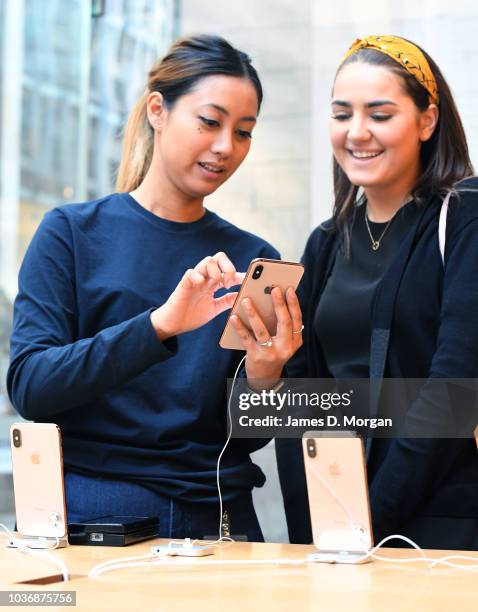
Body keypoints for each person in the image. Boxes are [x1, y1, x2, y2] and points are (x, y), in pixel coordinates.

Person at [7, 34, 302, 541]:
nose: (224, 147)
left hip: (220, 518)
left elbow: (249, 438)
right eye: (210, 122)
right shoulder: (71, 234)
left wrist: (265, 377)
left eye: (244, 132)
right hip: (95, 516)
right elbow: (32, 387)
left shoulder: (256, 258)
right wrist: (159, 326)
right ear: (158, 110)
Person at [276, 35, 478, 550]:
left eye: (380, 114)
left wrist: (371, 520)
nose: (357, 132)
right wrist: (319, 527)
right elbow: (304, 395)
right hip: (342, 524)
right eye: (342, 114)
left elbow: (454, 390)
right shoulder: (325, 242)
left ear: (427, 121)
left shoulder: (463, 215)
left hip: (444, 523)